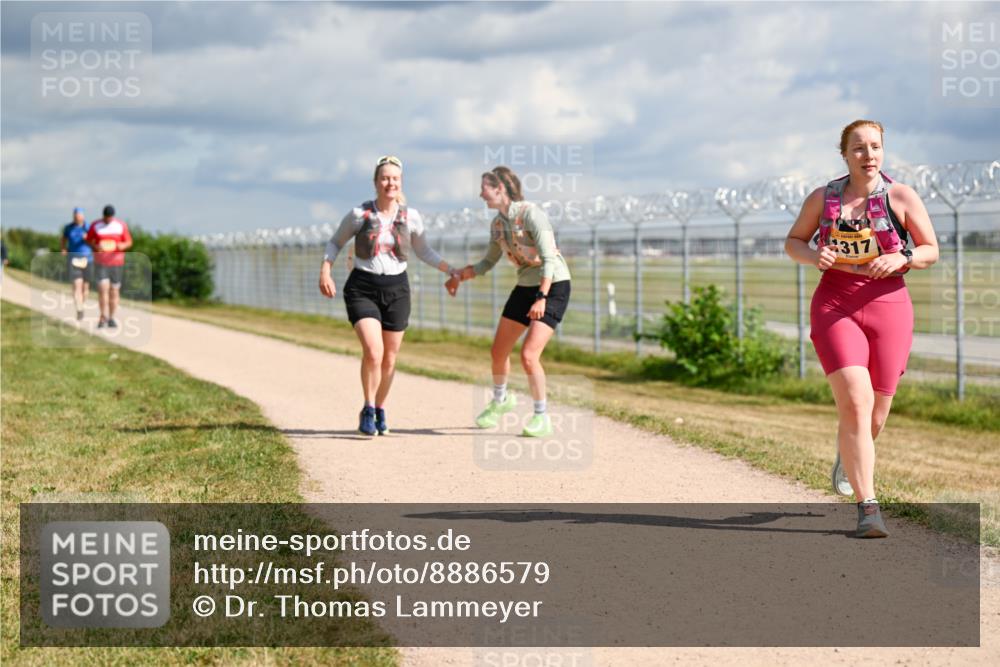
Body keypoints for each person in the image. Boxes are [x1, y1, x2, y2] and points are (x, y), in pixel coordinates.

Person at [785, 120, 938, 538]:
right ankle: (868, 507)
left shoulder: (901, 196)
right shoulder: (823, 198)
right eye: (858, 148)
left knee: (875, 414)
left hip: (888, 306)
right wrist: (814, 254)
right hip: (836, 304)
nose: (868, 155)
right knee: (855, 402)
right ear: (844, 154)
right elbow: (794, 241)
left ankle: (848, 454)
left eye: (875, 147)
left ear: (883, 151)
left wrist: (903, 257)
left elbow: (931, 249)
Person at [318, 155, 457, 436]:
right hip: (363, 287)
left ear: (400, 182)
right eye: (384, 178)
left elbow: (424, 251)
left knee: (390, 358)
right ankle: (368, 408)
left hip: (397, 289)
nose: (389, 183)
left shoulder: (411, 217)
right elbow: (335, 242)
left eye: (394, 178)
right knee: (374, 351)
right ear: (375, 182)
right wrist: (325, 270)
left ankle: (380, 407)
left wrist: (450, 270)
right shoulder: (360, 214)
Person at [447, 166, 572, 438]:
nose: (481, 194)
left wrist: (541, 297)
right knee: (497, 352)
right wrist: (460, 275)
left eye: (484, 188)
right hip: (526, 285)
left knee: (528, 355)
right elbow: (487, 262)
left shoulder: (531, 215)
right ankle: (501, 400)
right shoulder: (497, 225)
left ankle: (542, 417)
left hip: (553, 285)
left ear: (499, 189)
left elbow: (549, 258)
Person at [86, 204, 133, 329]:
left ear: (113, 216)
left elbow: (129, 241)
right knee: (103, 289)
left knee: (114, 290)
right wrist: (96, 247)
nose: (108, 220)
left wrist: (122, 246)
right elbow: (88, 239)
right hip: (101, 263)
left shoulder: (121, 225)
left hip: (117, 263)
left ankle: (112, 317)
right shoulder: (95, 225)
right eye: (106, 218)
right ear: (103, 216)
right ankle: (102, 316)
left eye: (110, 218)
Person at [61, 207, 93, 321]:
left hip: (87, 259)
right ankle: (79, 309)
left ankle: (82, 306)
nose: (76, 218)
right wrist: (63, 248)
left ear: (83, 216)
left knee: (85, 287)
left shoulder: (89, 227)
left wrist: (87, 239)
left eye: (78, 216)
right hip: (73, 259)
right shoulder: (68, 228)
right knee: (76, 285)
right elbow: (63, 239)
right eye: (75, 216)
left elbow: (95, 243)